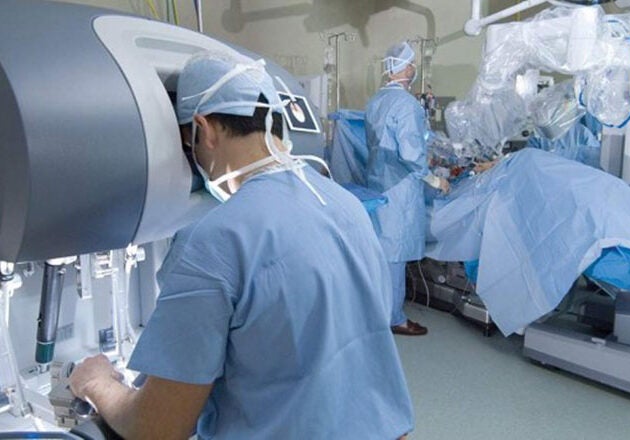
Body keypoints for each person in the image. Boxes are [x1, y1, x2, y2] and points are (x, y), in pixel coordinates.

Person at [69, 52, 414, 439]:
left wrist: (96, 382)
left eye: (188, 142)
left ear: (204, 130)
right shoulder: (344, 204)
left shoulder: (216, 239)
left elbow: (157, 429)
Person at [365, 41, 449, 337]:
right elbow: (412, 154)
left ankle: (377, 312)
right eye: (412, 64)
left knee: (381, 253)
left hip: (378, 184)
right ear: (404, 68)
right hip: (399, 188)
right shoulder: (407, 105)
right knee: (395, 255)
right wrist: (435, 179)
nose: (413, 69)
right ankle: (395, 318)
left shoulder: (375, 101)